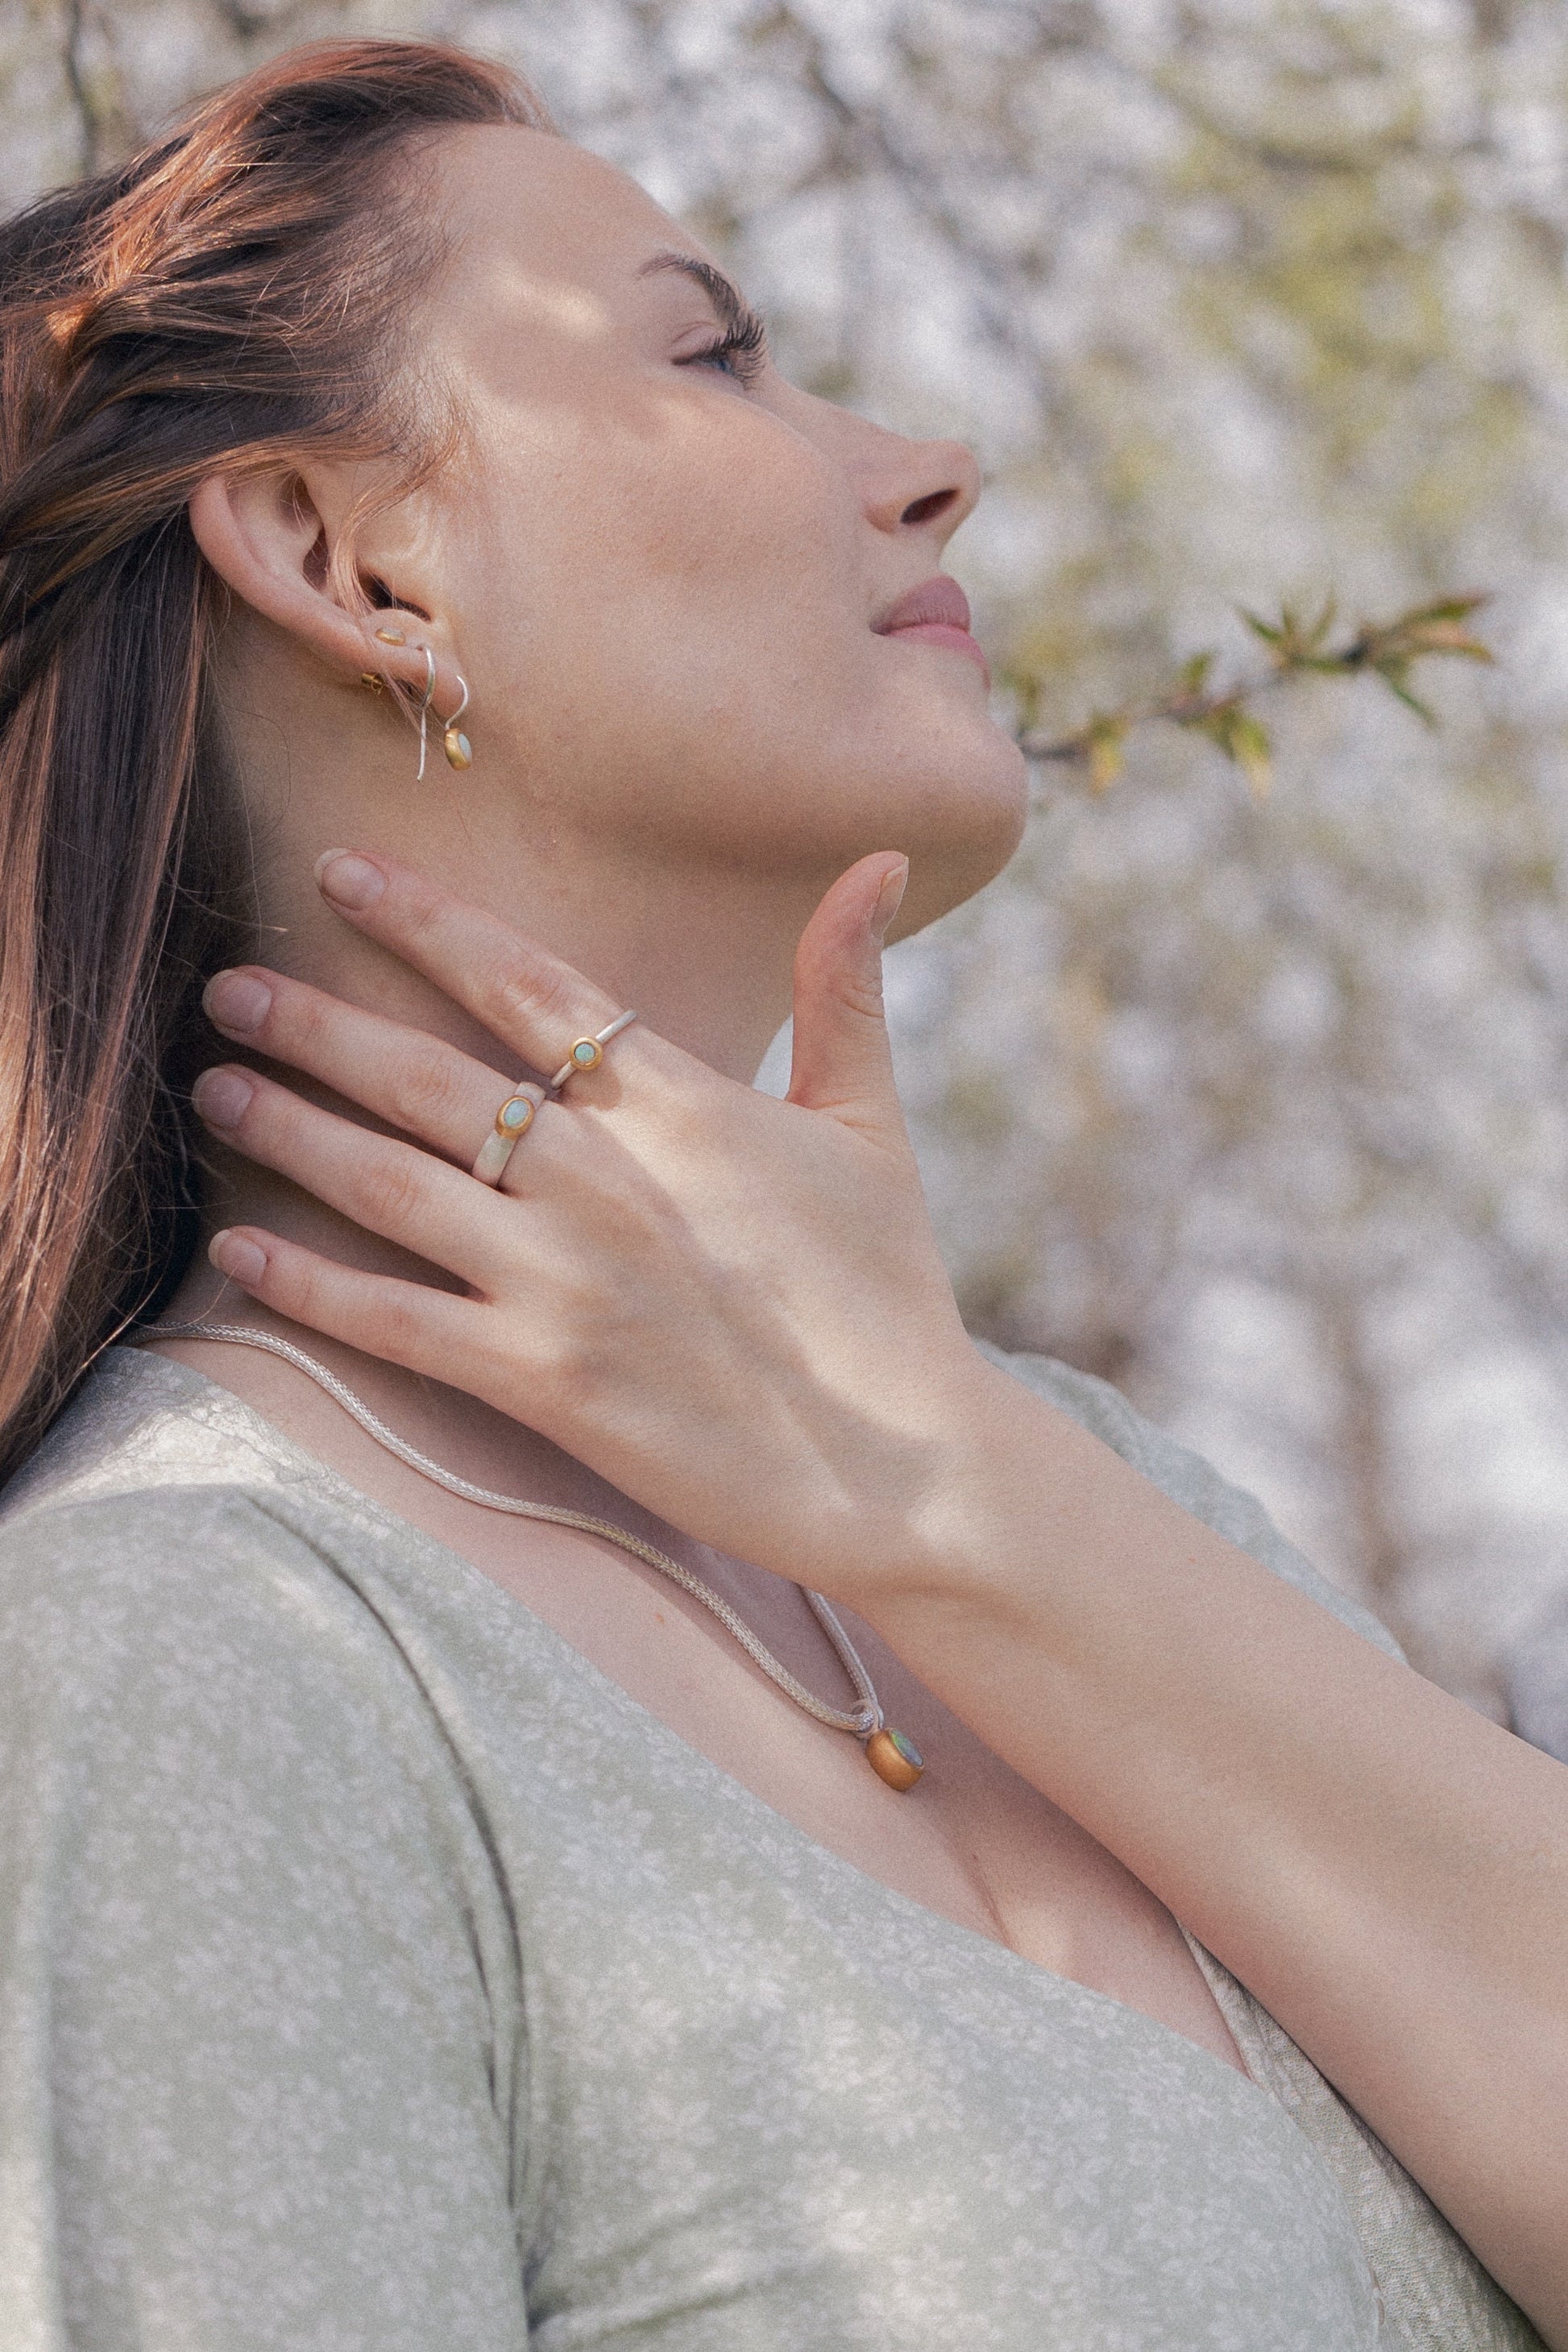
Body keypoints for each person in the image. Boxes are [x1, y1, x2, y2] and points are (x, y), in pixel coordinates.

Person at [0, 38, 1561, 2352]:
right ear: (354, 556)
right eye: (709, 351)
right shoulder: (188, 1654)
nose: (930, 474)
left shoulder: (1088, 1495)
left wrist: (935, 1483)